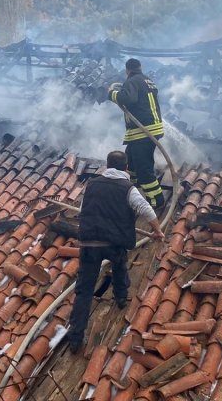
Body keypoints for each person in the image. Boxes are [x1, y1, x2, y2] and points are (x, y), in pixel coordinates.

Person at [65, 151, 164, 355]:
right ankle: (120, 297)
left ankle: (75, 338)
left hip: (89, 243)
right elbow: (146, 209)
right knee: (119, 266)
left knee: (84, 291)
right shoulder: (128, 188)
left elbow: (84, 209)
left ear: (108, 165)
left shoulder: (92, 185)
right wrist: (158, 231)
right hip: (114, 243)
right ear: (126, 168)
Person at [107, 58, 166, 209]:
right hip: (147, 130)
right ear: (140, 67)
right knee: (130, 162)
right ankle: (129, 190)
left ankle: (156, 200)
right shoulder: (147, 80)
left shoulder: (132, 81)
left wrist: (112, 94)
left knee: (143, 167)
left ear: (127, 70)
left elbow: (128, 99)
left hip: (143, 132)